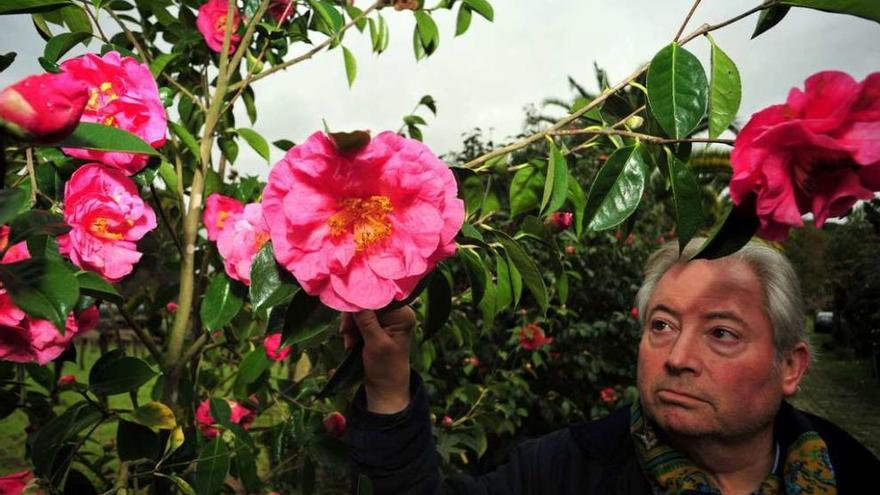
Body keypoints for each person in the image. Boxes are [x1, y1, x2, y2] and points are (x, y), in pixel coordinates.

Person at [341, 240, 880, 494]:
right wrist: (387, 390)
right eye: (662, 325)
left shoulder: (850, 470)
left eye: (721, 334)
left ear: (790, 366)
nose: (677, 358)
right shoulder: (559, 472)